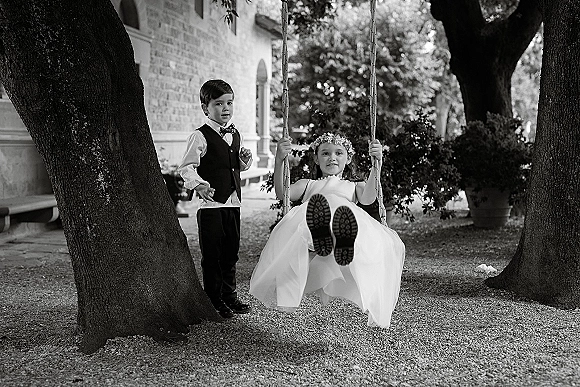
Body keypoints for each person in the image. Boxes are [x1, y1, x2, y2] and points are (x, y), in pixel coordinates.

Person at [249, 132, 405, 328]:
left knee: (346, 216)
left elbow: (368, 199)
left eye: (339, 153)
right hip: (312, 221)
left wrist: (377, 166)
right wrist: (280, 160)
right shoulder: (308, 184)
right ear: (316, 158)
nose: (332, 157)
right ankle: (320, 240)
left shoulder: (354, 186)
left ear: (348, 159)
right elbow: (283, 194)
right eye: (325, 153)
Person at [179, 79, 253, 318]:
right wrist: (198, 184)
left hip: (233, 203)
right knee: (213, 255)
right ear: (205, 108)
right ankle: (213, 298)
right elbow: (187, 167)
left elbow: (232, 168)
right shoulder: (199, 137)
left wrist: (243, 162)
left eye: (229, 103)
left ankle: (229, 295)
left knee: (231, 253)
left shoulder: (235, 134)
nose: (225, 108)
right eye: (219, 103)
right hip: (211, 205)